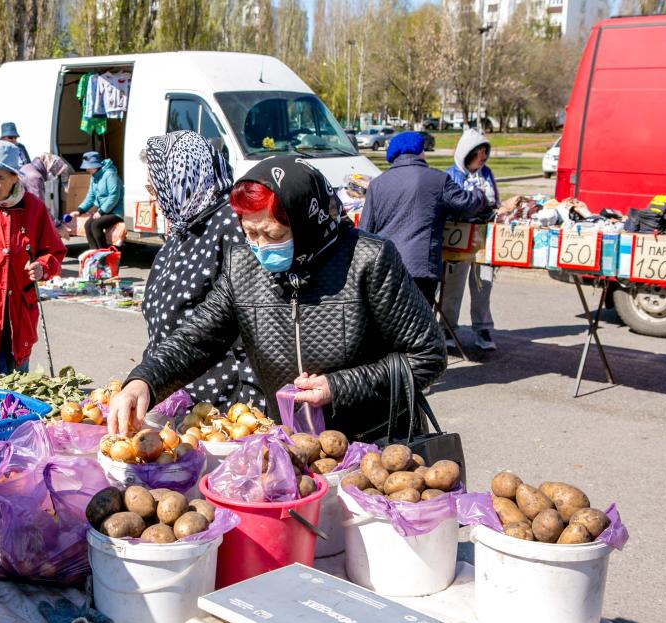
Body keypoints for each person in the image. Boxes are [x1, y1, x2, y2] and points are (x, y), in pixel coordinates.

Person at [108, 157, 446, 441]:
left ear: (307, 222)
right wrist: (145, 381)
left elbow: (427, 355)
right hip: (288, 444)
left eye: (274, 235)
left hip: (374, 441)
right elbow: (197, 339)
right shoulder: (243, 266)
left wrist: (339, 386)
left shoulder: (369, 260)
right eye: (250, 233)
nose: (261, 247)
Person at [142, 130, 264, 412]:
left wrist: (251, 406)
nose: (152, 197)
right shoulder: (184, 226)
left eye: (155, 187)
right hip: (173, 389)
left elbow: (252, 325)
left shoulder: (231, 226)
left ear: (183, 178)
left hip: (219, 403)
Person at [361, 131, 488, 305]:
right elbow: (466, 205)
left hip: (384, 269)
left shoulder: (376, 185)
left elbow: (365, 232)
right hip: (421, 269)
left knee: (388, 326)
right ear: (420, 151)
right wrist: (481, 195)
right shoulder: (438, 179)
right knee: (417, 327)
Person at [0, 142, 67, 374]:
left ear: (15, 178)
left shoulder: (33, 208)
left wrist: (42, 267)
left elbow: (54, 251)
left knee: (17, 382)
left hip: (19, 313)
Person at [440, 128, 500, 351]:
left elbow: (495, 202)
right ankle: (447, 326)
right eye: (478, 153)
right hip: (458, 236)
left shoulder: (487, 174)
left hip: (483, 236)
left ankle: (482, 328)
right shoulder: (451, 175)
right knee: (452, 285)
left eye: (485, 152)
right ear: (467, 153)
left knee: (483, 282)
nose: (482, 157)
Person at [69, 151, 124, 250]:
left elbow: (114, 196)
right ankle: (94, 253)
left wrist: (101, 211)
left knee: (96, 225)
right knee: (87, 224)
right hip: (104, 211)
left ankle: (104, 254)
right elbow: (90, 197)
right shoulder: (94, 177)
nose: (86, 169)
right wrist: (79, 210)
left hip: (116, 211)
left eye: (88, 166)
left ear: (95, 165)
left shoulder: (110, 174)